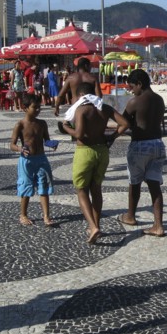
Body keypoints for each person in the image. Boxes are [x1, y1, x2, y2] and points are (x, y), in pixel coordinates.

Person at [60, 82, 129, 244]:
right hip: (102, 151)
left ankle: (92, 226)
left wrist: (65, 128)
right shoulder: (104, 108)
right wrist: (111, 137)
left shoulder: (81, 109)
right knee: (96, 189)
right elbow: (125, 124)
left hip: (85, 152)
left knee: (81, 189)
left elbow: (79, 134)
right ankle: (96, 224)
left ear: (80, 96)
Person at [117, 70, 167, 237]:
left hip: (140, 146)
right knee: (154, 185)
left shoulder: (135, 102)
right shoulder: (160, 100)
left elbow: (123, 123)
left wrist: (109, 136)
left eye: (132, 87)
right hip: (158, 145)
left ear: (139, 84)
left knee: (135, 183)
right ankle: (158, 225)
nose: (131, 91)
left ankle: (130, 216)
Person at [10, 93, 57, 226]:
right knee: (26, 186)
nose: (37, 110)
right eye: (34, 107)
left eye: (39, 107)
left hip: (41, 159)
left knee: (44, 187)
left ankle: (46, 216)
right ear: (25, 108)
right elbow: (12, 144)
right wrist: (19, 149)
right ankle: (23, 214)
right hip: (26, 161)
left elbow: (46, 140)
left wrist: (52, 144)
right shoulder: (20, 125)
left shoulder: (42, 123)